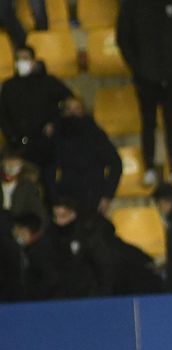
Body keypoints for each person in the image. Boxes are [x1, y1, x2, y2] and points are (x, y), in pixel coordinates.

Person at [116, 0, 172, 187]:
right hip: (145, 77)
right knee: (148, 122)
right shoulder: (131, 5)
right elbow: (124, 39)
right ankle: (149, 168)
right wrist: (138, 69)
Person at [0, 45, 72, 197]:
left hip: (49, 145)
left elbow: (68, 102)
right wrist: (14, 138)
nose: (21, 62)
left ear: (34, 61)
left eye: (25, 59)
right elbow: (3, 116)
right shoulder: (8, 87)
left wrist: (55, 123)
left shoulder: (49, 82)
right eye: (18, 59)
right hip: (20, 147)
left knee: (51, 187)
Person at [53, 96, 122, 216]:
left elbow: (116, 164)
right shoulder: (57, 135)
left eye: (77, 109)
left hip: (93, 196)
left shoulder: (95, 134)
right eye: (69, 110)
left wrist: (107, 196)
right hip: (66, 198)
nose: (73, 113)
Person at [11, 211, 59, 300]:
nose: (14, 235)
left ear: (25, 231)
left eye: (17, 230)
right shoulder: (30, 250)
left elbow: (50, 279)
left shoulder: (39, 252)